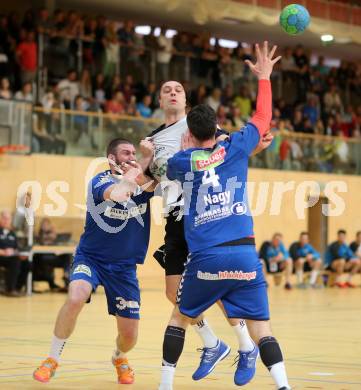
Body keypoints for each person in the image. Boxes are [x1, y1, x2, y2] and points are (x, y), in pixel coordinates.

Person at [158, 41, 291, 390]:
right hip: (245, 252)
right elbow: (263, 118)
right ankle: (283, 385)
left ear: (189, 133)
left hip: (206, 254)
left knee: (178, 314)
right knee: (263, 326)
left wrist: (187, 151)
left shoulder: (179, 160)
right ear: (217, 127)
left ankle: (165, 384)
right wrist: (264, 77)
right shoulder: (236, 145)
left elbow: (175, 168)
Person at [33, 138, 155, 384]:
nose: (132, 155)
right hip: (92, 258)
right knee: (76, 295)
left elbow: (162, 181)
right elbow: (120, 194)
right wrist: (138, 168)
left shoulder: (143, 183)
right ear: (111, 158)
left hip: (124, 268)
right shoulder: (101, 181)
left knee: (129, 337)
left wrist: (152, 157)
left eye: (134, 152)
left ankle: (119, 357)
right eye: (126, 152)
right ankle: (52, 359)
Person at [0, 210, 29, 296]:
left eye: (8, 219)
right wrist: (2, 252)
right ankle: (10, 289)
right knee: (15, 261)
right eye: (4, 218)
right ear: (1, 219)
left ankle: (17, 288)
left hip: (11, 257)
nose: (6, 221)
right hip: (1, 256)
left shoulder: (12, 233)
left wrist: (18, 253)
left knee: (27, 263)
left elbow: (16, 248)